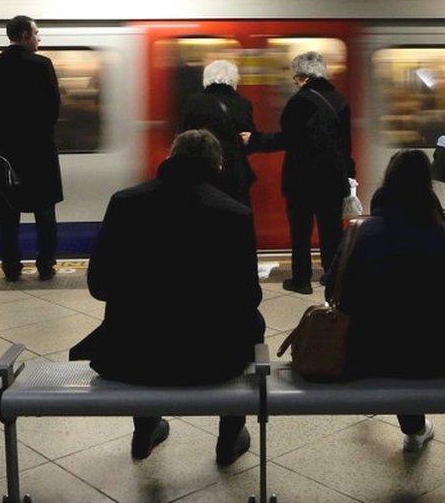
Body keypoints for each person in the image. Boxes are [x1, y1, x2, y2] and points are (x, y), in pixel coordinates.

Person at [70, 130, 264, 466]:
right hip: (213, 362)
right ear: (216, 167)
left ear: (170, 157)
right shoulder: (235, 214)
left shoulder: (124, 202)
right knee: (254, 324)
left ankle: (146, 428)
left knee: (140, 324)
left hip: (132, 357)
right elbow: (248, 297)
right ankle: (229, 438)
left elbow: (99, 286)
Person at [324, 149, 445, 452]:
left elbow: (333, 295)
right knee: (408, 340)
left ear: (386, 182)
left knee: (387, 337)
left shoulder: (360, 233)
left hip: (362, 353)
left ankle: (414, 426)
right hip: (430, 357)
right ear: (426, 186)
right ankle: (415, 428)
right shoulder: (441, 235)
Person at [247, 51, 355, 295]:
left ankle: (302, 280)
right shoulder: (340, 100)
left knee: (301, 231)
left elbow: (288, 139)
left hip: (302, 179)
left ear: (304, 77)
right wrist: (349, 173)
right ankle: (333, 276)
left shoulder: (300, 101)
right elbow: (345, 143)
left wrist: (254, 140)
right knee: (331, 231)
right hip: (333, 178)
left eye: (295, 78)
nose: (295, 82)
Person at [0, 15, 62, 282]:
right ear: (25, 35)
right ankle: (46, 265)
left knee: (8, 214)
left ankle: (11, 267)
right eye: (37, 33)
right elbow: (53, 108)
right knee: (45, 212)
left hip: (6, 151)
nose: (39, 38)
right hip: (39, 150)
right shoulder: (42, 64)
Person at [179, 60, 260, 206]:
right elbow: (248, 141)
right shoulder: (243, 104)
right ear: (234, 79)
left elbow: (184, 137)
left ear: (206, 78)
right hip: (234, 171)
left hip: (202, 170)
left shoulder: (193, 102)